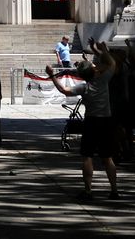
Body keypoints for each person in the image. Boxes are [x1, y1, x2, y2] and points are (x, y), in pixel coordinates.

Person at [46, 40, 119, 201]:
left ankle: (88, 190)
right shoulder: (103, 81)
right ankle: (114, 189)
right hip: (106, 120)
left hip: (92, 121)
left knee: (87, 156)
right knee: (108, 157)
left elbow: (64, 90)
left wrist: (52, 75)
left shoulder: (84, 87)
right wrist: (102, 50)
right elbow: (112, 63)